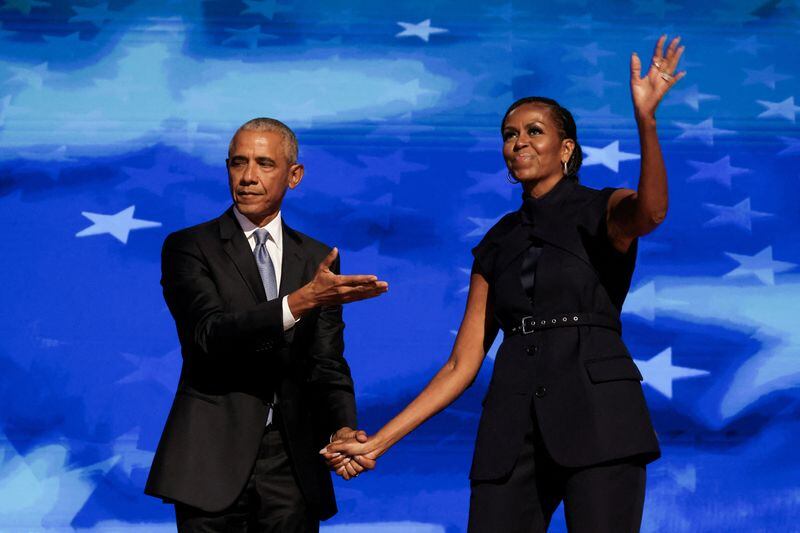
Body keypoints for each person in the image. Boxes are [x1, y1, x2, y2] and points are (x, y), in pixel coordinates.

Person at [323, 35, 686, 532]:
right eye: (509, 133)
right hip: (511, 428)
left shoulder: (601, 207)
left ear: (566, 149)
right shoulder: (497, 241)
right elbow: (461, 364)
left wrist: (646, 121)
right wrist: (379, 442)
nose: (519, 142)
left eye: (534, 131)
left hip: (601, 417)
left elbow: (653, 211)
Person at [144, 117, 387, 532]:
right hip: (211, 461)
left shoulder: (316, 259)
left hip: (292, 462)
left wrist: (342, 428)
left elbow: (326, 362)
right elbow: (209, 335)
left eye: (264, 164)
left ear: (294, 176)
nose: (248, 177)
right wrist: (302, 300)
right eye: (238, 163)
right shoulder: (189, 247)